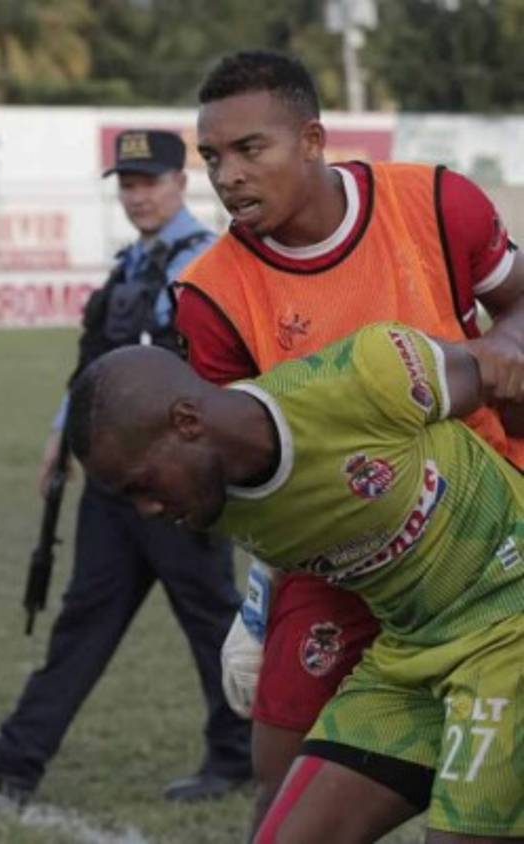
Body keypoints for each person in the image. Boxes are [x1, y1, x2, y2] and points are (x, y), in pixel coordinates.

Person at [176, 49, 524, 828]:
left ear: (312, 139)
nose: (226, 175)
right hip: (343, 547)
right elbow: (248, 463)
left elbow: (519, 305)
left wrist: (505, 351)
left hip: (488, 531)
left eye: (248, 149)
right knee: (279, 772)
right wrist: (263, 595)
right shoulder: (211, 294)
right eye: (212, 157)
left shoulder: (435, 202)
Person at [66, 321, 524, 843]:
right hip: (411, 654)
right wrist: (256, 616)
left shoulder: (364, 377)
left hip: (509, 620)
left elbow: (504, 371)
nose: (145, 509)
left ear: (187, 421)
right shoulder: (204, 500)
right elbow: (295, 520)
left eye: (142, 486)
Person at [0, 128, 251, 804]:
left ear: (178, 182)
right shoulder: (133, 264)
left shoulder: (208, 261)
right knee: (86, 617)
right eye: (127, 184)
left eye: (148, 181)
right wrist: (61, 436)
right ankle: (18, 757)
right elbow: (96, 368)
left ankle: (239, 753)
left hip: (177, 482)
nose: (137, 196)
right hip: (116, 479)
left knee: (212, 619)